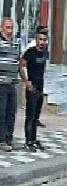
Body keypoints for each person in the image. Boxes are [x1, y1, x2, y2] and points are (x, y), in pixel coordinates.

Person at [19, 26, 48, 152]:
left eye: (44, 40)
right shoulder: (30, 52)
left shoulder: (43, 53)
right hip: (32, 89)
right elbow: (21, 66)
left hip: (40, 88)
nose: (42, 42)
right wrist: (26, 82)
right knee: (30, 116)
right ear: (36, 40)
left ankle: (34, 139)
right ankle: (28, 141)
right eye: (40, 39)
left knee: (36, 117)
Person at [0, 17, 18, 152]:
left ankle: (9, 138)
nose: (10, 30)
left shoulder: (15, 44)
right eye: (7, 27)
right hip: (1, 84)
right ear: (1, 28)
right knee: (2, 112)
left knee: (11, 113)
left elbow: (18, 62)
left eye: (11, 27)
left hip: (13, 84)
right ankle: (1, 140)